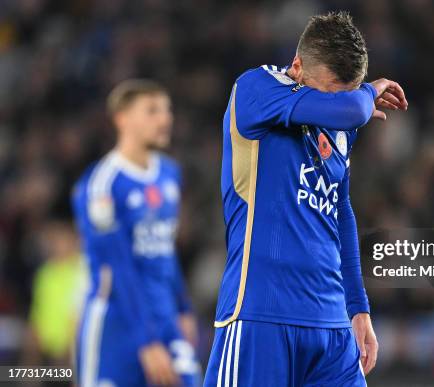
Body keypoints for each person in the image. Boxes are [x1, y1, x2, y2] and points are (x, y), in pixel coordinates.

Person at [204, 11, 408, 386]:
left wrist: (358, 307)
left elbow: (340, 213)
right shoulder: (255, 89)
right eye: (327, 94)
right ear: (298, 67)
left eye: (349, 92)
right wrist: (366, 92)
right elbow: (354, 108)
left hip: (331, 327)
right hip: (260, 316)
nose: (333, 111)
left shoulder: (342, 123)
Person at [72, 79, 200, 386]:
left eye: (167, 110)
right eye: (152, 110)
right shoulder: (102, 184)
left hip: (165, 316)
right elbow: (117, 268)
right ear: (122, 118)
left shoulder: (170, 174)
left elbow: (165, 252)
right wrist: (146, 340)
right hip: (117, 323)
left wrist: (183, 307)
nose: (165, 119)